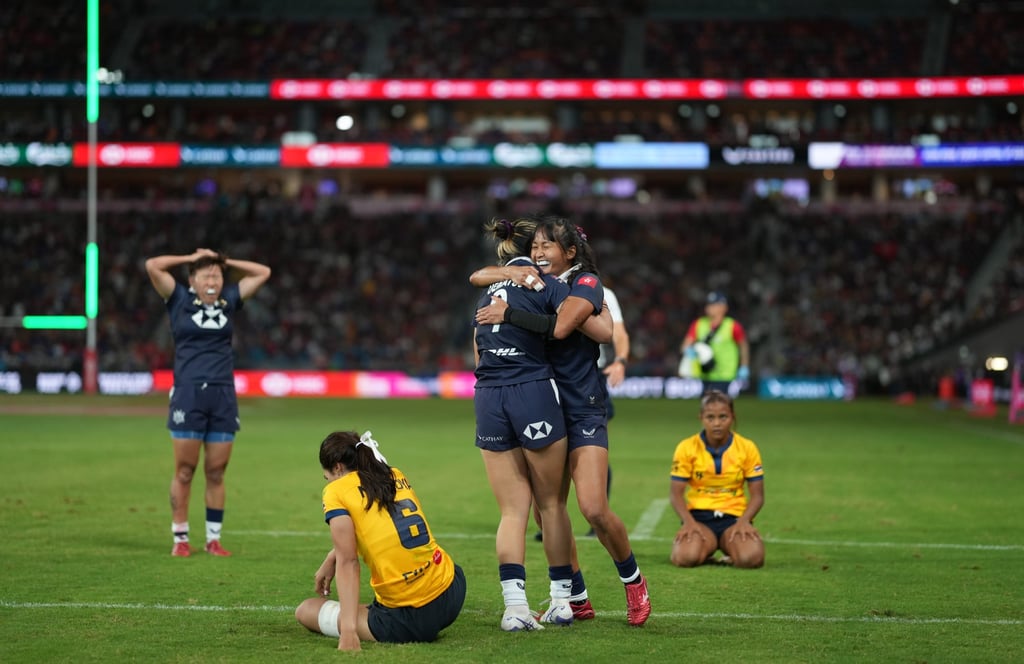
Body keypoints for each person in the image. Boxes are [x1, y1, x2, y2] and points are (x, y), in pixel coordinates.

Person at [475, 217, 652, 627]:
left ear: (569, 252)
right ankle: (576, 596)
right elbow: (479, 277)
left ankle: (633, 581)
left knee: (593, 507)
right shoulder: (530, 281)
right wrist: (508, 274)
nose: (538, 253)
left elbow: (562, 328)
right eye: (534, 246)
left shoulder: (585, 283)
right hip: (539, 402)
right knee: (546, 510)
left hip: (581, 406)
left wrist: (510, 313)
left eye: (547, 246)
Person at [145, 248, 271, 557]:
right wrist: (189, 257)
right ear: (192, 280)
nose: (212, 281)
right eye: (206, 275)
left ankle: (213, 539)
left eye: (217, 275)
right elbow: (153, 265)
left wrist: (224, 261)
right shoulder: (178, 299)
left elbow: (263, 272)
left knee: (216, 472)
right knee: (185, 471)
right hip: (188, 394)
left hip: (223, 395)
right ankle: (180, 539)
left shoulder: (230, 299)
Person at [295, 431, 466, 650]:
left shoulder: (335, 491)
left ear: (337, 468)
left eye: (326, 476)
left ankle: (372, 616)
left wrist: (348, 631)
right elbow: (384, 525)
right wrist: (332, 556)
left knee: (306, 610)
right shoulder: (393, 473)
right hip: (453, 590)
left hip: (410, 620)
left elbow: (349, 562)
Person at [668, 390, 765, 569]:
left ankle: (728, 549)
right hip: (699, 519)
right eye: (710, 417)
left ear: (732, 417)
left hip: (734, 518)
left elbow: (758, 496)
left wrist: (745, 521)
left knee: (751, 559)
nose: (717, 423)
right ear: (701, 418)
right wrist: (688, 522)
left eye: (723, 417)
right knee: (685, 558)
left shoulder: (747, 447)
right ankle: (703, 549)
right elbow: (675, 494)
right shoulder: (686, 447)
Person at [678, 291, 750, 396]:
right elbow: (685, 345)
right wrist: (688, 351)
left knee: (719, 403)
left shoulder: (732, 326)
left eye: (713, 304)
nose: (709, 307)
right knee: (707, 403)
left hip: (725, 375)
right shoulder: (699, 324)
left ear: (723, 307)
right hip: (705, 373)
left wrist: (744, 366)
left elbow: (743, 345)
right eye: (708, 304)